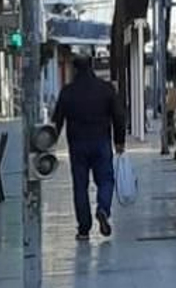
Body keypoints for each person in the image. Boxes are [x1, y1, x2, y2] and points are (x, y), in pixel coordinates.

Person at [51, 55, 127, 242]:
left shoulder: (68, 92)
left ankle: (84, 228)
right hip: (101, 142)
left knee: (80, 186)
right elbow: (119, 116)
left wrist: (50, 144)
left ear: (75, 69)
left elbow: (57, 120)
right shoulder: (105, 89)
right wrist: (119, 140)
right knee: (106, 180)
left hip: (77, 145)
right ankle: (103, 208)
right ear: (92, 67)